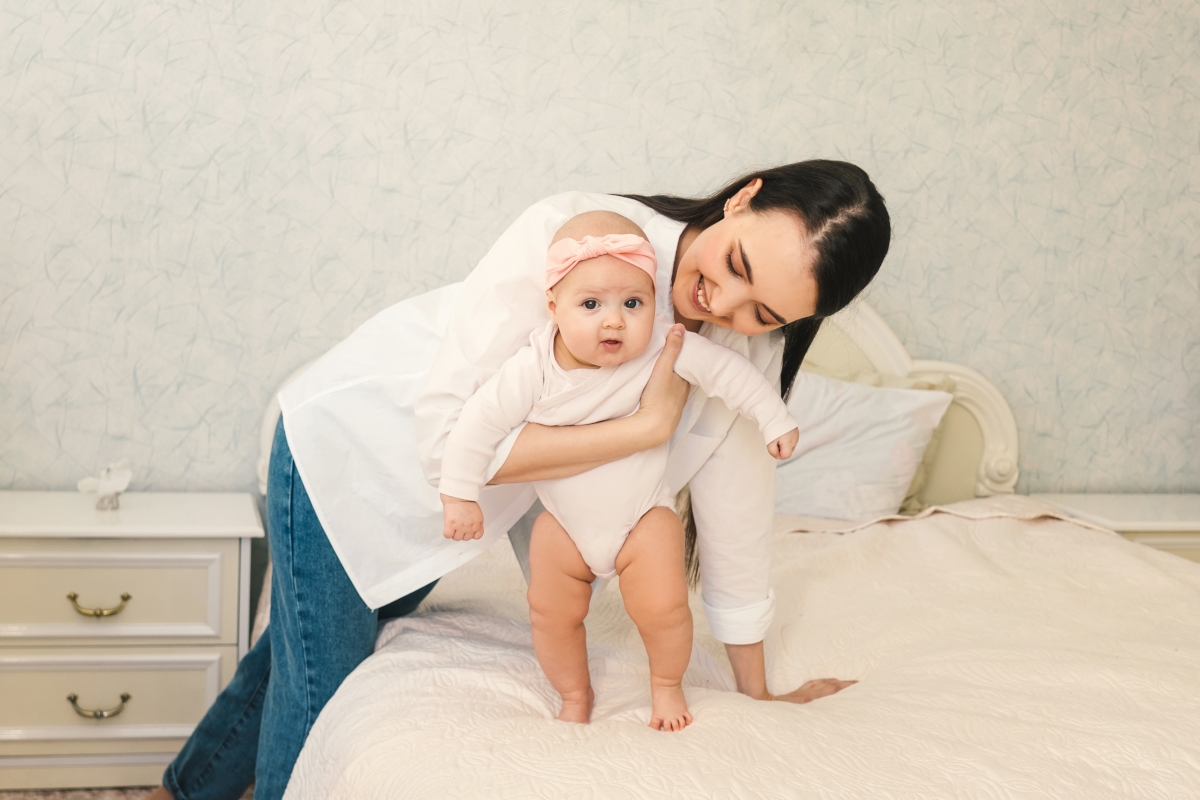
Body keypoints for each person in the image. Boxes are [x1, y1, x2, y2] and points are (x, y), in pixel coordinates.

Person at [144, 159, 890, 800]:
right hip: (355, 454)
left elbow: (736, 521)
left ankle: (178, 790)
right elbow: (447, 446)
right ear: (741, 197)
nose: (724, 305)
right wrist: (643, 429)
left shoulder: (741, 353)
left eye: (764, 311)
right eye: (737, 266)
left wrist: (757, 695)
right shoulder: (580, 236)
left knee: (295, 651)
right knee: (319, 694)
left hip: (449, 514)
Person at [438, 211, 800, 730]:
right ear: (553, 308)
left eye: (633, 303)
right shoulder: (533, 368)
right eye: (591, 305)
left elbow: (729, 374)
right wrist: (458, 495)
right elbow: (476, 424)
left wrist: (774, 418)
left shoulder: (663, 347)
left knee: (665, 612)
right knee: (551, 615)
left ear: (653, 300)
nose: (614, 320)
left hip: (641, 521)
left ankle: (666, 686)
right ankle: (573, 693)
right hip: (564, 527)